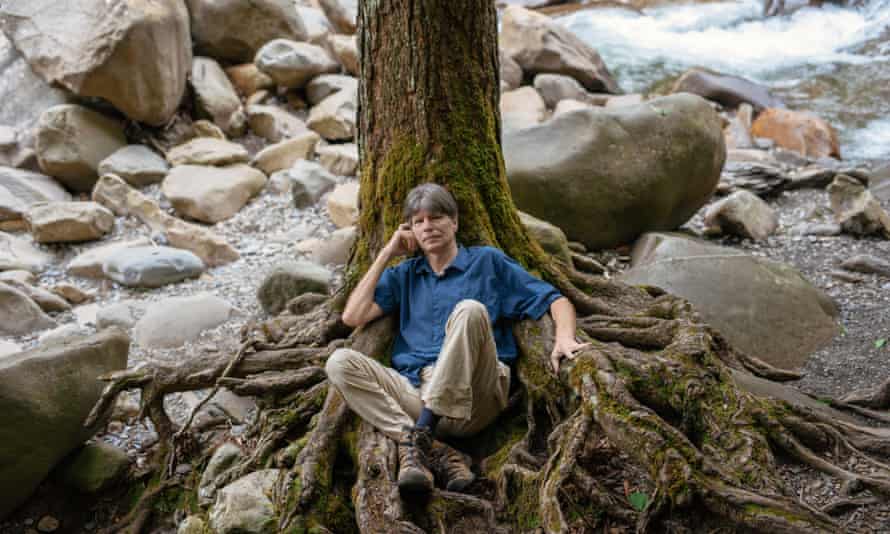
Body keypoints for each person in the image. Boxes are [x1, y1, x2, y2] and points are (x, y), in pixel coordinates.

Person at [325, 183, 588, 495]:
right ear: (409, 230)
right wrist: (387, 252)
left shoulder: (487, 262)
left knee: (470, 310)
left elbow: (554, 300)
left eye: (436, 217)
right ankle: (434, 449)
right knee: (339, 362)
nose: (428, 227)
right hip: (417, 391)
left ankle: (419, 436)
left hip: (476, 394)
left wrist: (564, 338)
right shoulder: (406, 274)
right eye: (418, 222)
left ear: (455, 222)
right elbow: (353, 316)